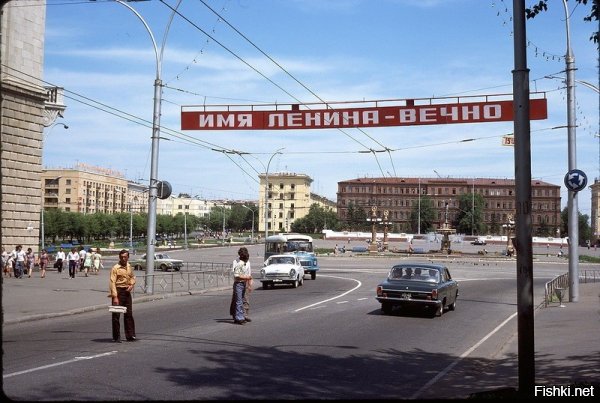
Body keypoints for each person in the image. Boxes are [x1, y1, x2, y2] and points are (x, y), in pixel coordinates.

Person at [108, 249, 137, 343]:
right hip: (118, 291)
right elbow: (112, 282)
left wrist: (131, 285)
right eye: (121, 257)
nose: (123, 258)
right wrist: (115, 296)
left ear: (128, 257)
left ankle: (130, 335)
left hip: (127, 291)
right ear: (119, 257)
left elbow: (132, 277)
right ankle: (116, 337)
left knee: (129, 314)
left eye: (125, 257)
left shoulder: (129, 266)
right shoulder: (115, 268)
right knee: (116, 315)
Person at [230, 247, 252, 325]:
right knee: (238, 301)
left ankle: (242, 315)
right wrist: (247, 277)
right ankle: (238, 317)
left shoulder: (247, 262)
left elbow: (249, 273)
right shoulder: (237, 263)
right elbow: (236, 275)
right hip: (238, 283)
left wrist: (249, 284)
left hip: (244, 283)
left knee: (244, 300)